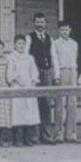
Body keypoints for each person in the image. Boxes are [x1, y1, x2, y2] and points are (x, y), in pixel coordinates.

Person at [28, 12, 58, 143]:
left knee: (46, 104)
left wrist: (56, 75)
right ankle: (34, 137)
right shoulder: (29, 38)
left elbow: (54, 57)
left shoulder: (49, 39)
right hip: (35, 72)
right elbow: (27, 57)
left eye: (42, 22)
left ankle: (46, 135)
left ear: (45, 23)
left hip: (47, 72)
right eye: (38, 22)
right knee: (35, 103)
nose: (40, 24)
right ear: (34, 23)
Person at [7, 34, 41, 146]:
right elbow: (11, 73)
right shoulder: (11, 57)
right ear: (14, 45)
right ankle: (17, 139)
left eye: (23, 43)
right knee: (18, 112)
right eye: (19, 43)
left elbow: (34, 71)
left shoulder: (29, 58)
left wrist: (33, 82)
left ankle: (27, 138)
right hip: (17, 87)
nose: (21, 46)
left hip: (29, 87)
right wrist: (22, 84)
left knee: (28, 112)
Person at [52, 20, 81, 143]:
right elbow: (55, 60)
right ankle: (58, 134)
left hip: (72, 71)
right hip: (62, 72)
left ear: (70, 30)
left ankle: (71, 134)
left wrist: (74, 72)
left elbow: (75, 58)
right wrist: (57, 76)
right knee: (60, 104)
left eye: (66, 29)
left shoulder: (74, 44)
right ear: (59, 31)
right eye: (62, 30)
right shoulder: (55, 43)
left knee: (72, 103)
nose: (65, 32)